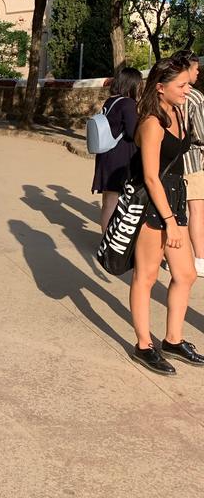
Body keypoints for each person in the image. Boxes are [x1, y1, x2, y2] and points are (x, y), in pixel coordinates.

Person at [129, 56, 203, 375]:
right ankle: (144, 345)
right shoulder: (151, 122)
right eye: (182, 85)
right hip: (154, 204)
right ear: (160, 88)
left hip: (175, 197)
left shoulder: (178, 111)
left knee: (185, 274)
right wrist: (170, 222)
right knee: (146, 277)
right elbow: (150, 176)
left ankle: (173, 340)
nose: (188, 89)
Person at [91, 67, 143, 232]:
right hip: (120, 157)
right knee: (115, 201)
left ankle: (105, 238)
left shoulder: (111, 101)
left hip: (107, 154)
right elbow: (132, 132)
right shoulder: (128, 103)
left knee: (108, 202)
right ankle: (108, 242)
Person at [170, 49, 204, 277]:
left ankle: (170, 256)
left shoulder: (163, 92)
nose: (198, 72)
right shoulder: (195, 97)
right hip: (191, 160)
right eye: (195, 68)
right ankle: (200, 258)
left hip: (168, 160)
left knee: (173, 210)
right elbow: (201, 134)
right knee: (196, 210)